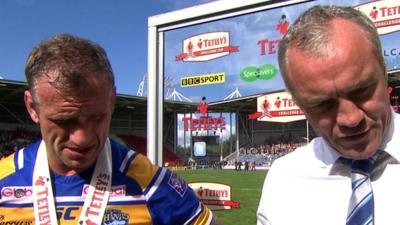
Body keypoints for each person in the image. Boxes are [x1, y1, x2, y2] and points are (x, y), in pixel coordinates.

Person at [0, 34, 221, 225]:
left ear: (112, 101)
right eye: (65, 120)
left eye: (97, 117)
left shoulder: (150, 183)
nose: (82, 138)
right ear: (32, 107)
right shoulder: (4, 180)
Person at [257, 5, 400, 225]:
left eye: (362, 91)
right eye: (323, 105)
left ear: (384, 71)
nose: (351, 119)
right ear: (301, 107)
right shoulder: (283, 180)